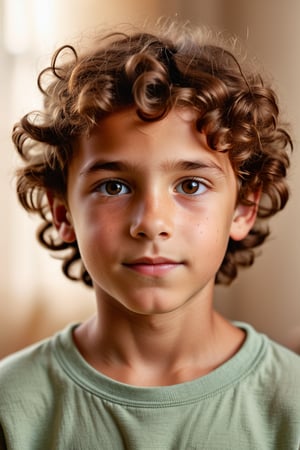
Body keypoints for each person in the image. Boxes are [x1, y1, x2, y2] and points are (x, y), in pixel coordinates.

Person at [0, 19, 299, 449]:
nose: (152, 222)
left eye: (190, 185)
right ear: (62, 211)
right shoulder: (12, 406)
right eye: (113, 186)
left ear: (244, 207)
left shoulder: (291, 404)